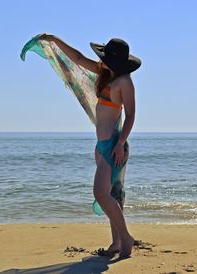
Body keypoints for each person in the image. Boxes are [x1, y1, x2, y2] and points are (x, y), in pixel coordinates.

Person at [38, 34, 141, 258]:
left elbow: (131, 115)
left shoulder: (124, 82)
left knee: (101, 193)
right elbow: (76, 58)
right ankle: (116, 242)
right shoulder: (105, 74)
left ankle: (126, 238)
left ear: (115, 62)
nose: (99, 61)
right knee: (112, 194)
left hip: (114, 145)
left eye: (104, 58)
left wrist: (120, 144)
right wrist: (53, 39)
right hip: (102, 145)